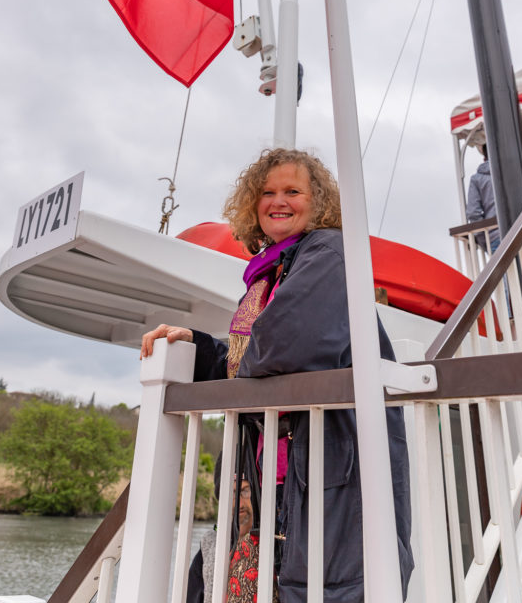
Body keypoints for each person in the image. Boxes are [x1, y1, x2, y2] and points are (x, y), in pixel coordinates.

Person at [141, 147, 414, 602]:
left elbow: (286, 343)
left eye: (293, 190)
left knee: (330, 585)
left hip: (333, 465)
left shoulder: (330, 250)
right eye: (267, 192)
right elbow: (257, 351)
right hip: (283, 470)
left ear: (319, 200)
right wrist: (198, 345)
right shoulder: (272, 271)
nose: (278, 200)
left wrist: (232, 376)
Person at [187, 455, 265, 603]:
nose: (239, 503)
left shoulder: (275, 546)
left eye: (245, 491)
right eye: (232, 493)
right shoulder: (209, 546)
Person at [466, 144, 501, 252]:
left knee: (509, 268)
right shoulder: (520, 170)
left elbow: (473, 213)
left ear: (485, 158)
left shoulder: (477, 179)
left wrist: (484, 240)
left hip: (496, 236)